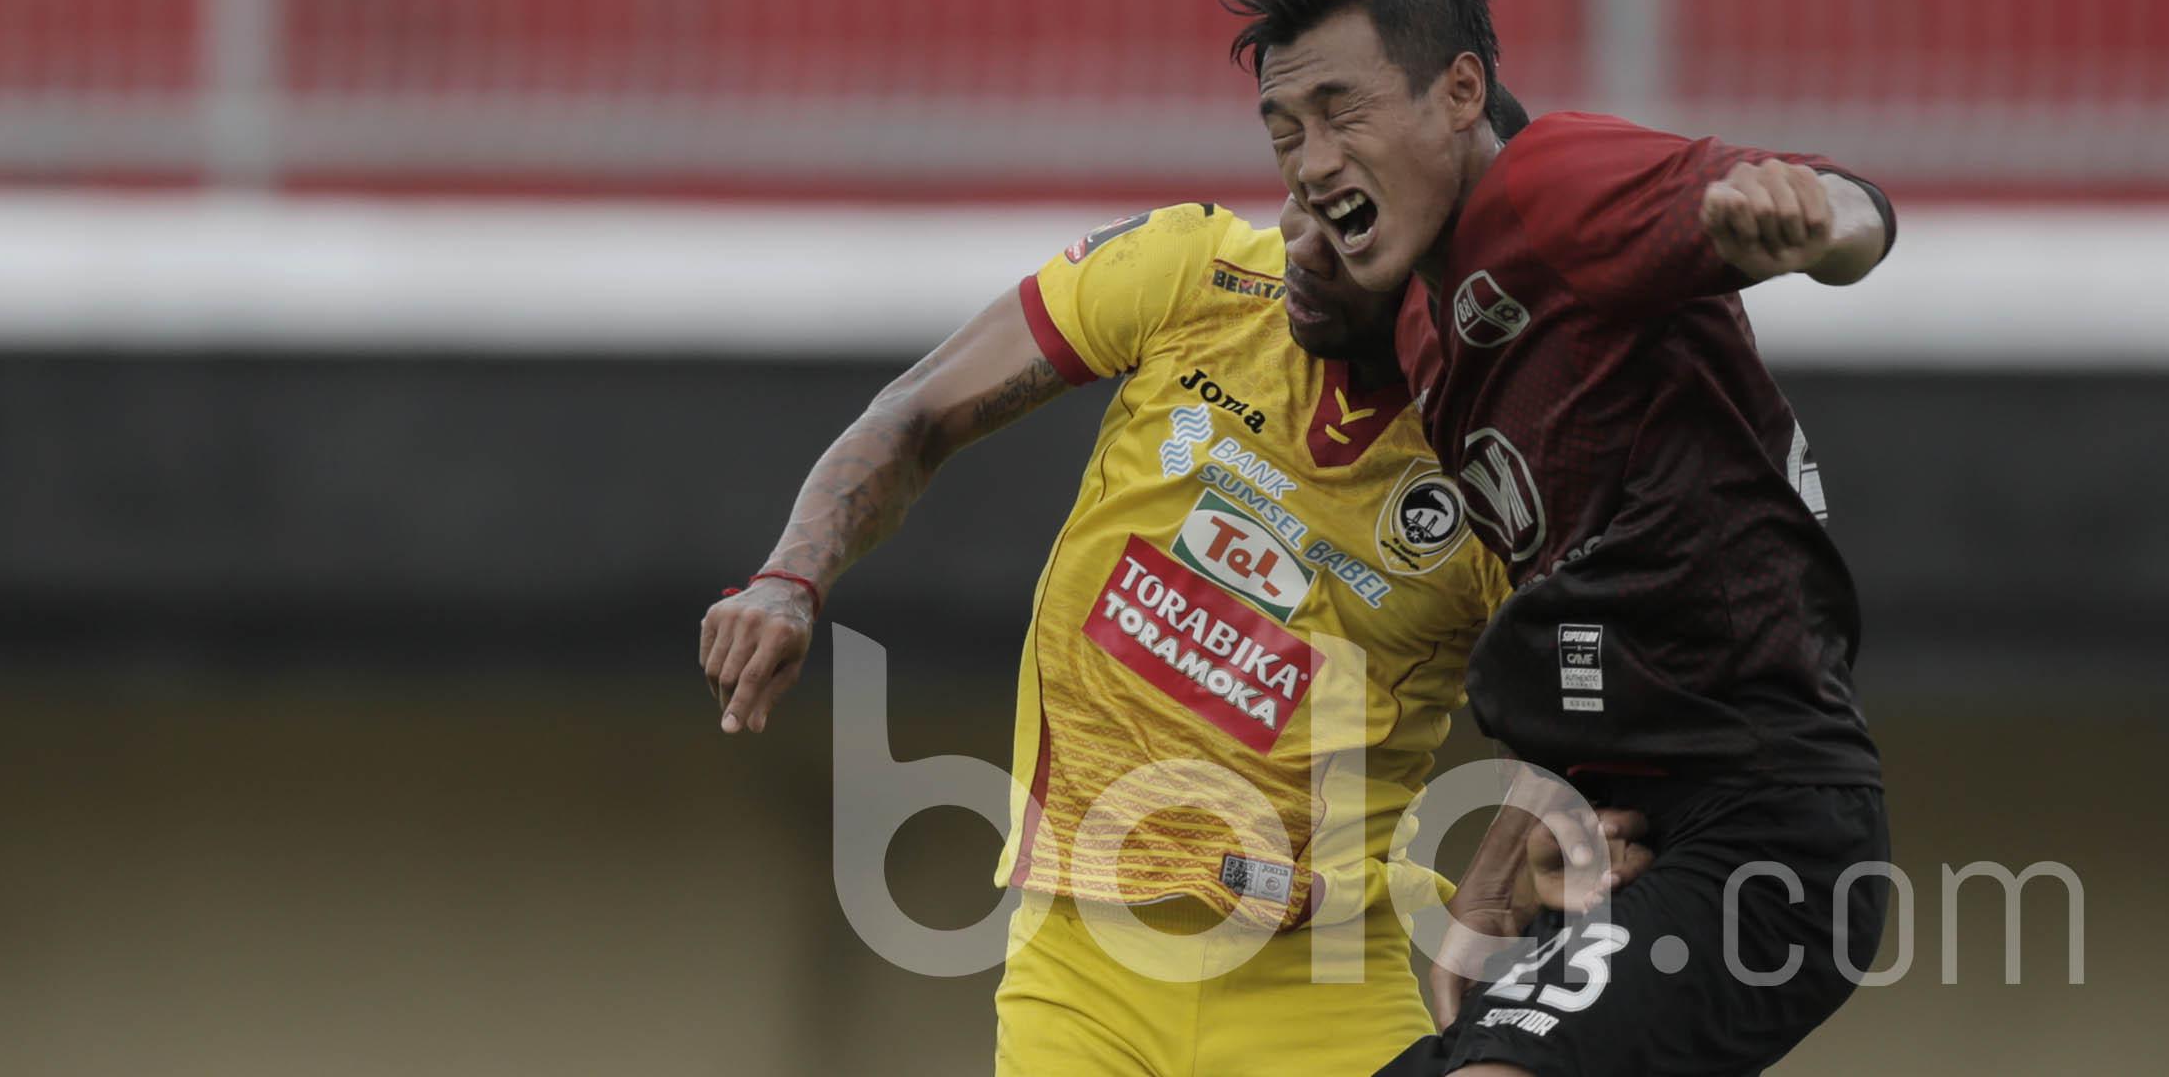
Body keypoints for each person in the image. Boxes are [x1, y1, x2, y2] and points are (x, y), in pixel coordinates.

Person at [700, 91, 1647, 1077]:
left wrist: (1494, 889)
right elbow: (919, 412)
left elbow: (1586, 710)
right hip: (1080, 965)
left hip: (1325, 980)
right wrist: (790, 577)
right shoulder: (1196, 271)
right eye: (1303, 196)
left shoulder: (1505, 460)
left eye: (1351, 220)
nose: (1299, 237)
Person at [1225, 0, 1897, 1077]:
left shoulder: (1549, 187)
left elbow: (1850, 209)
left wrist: (1813, 229)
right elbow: (1577, 595)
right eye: (1287, 132)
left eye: (1342, 112)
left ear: (1459, 90)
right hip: (1638, 829)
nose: (1312, 162)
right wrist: (1529, 852)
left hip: (1765, 832)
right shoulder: (1431, 328)